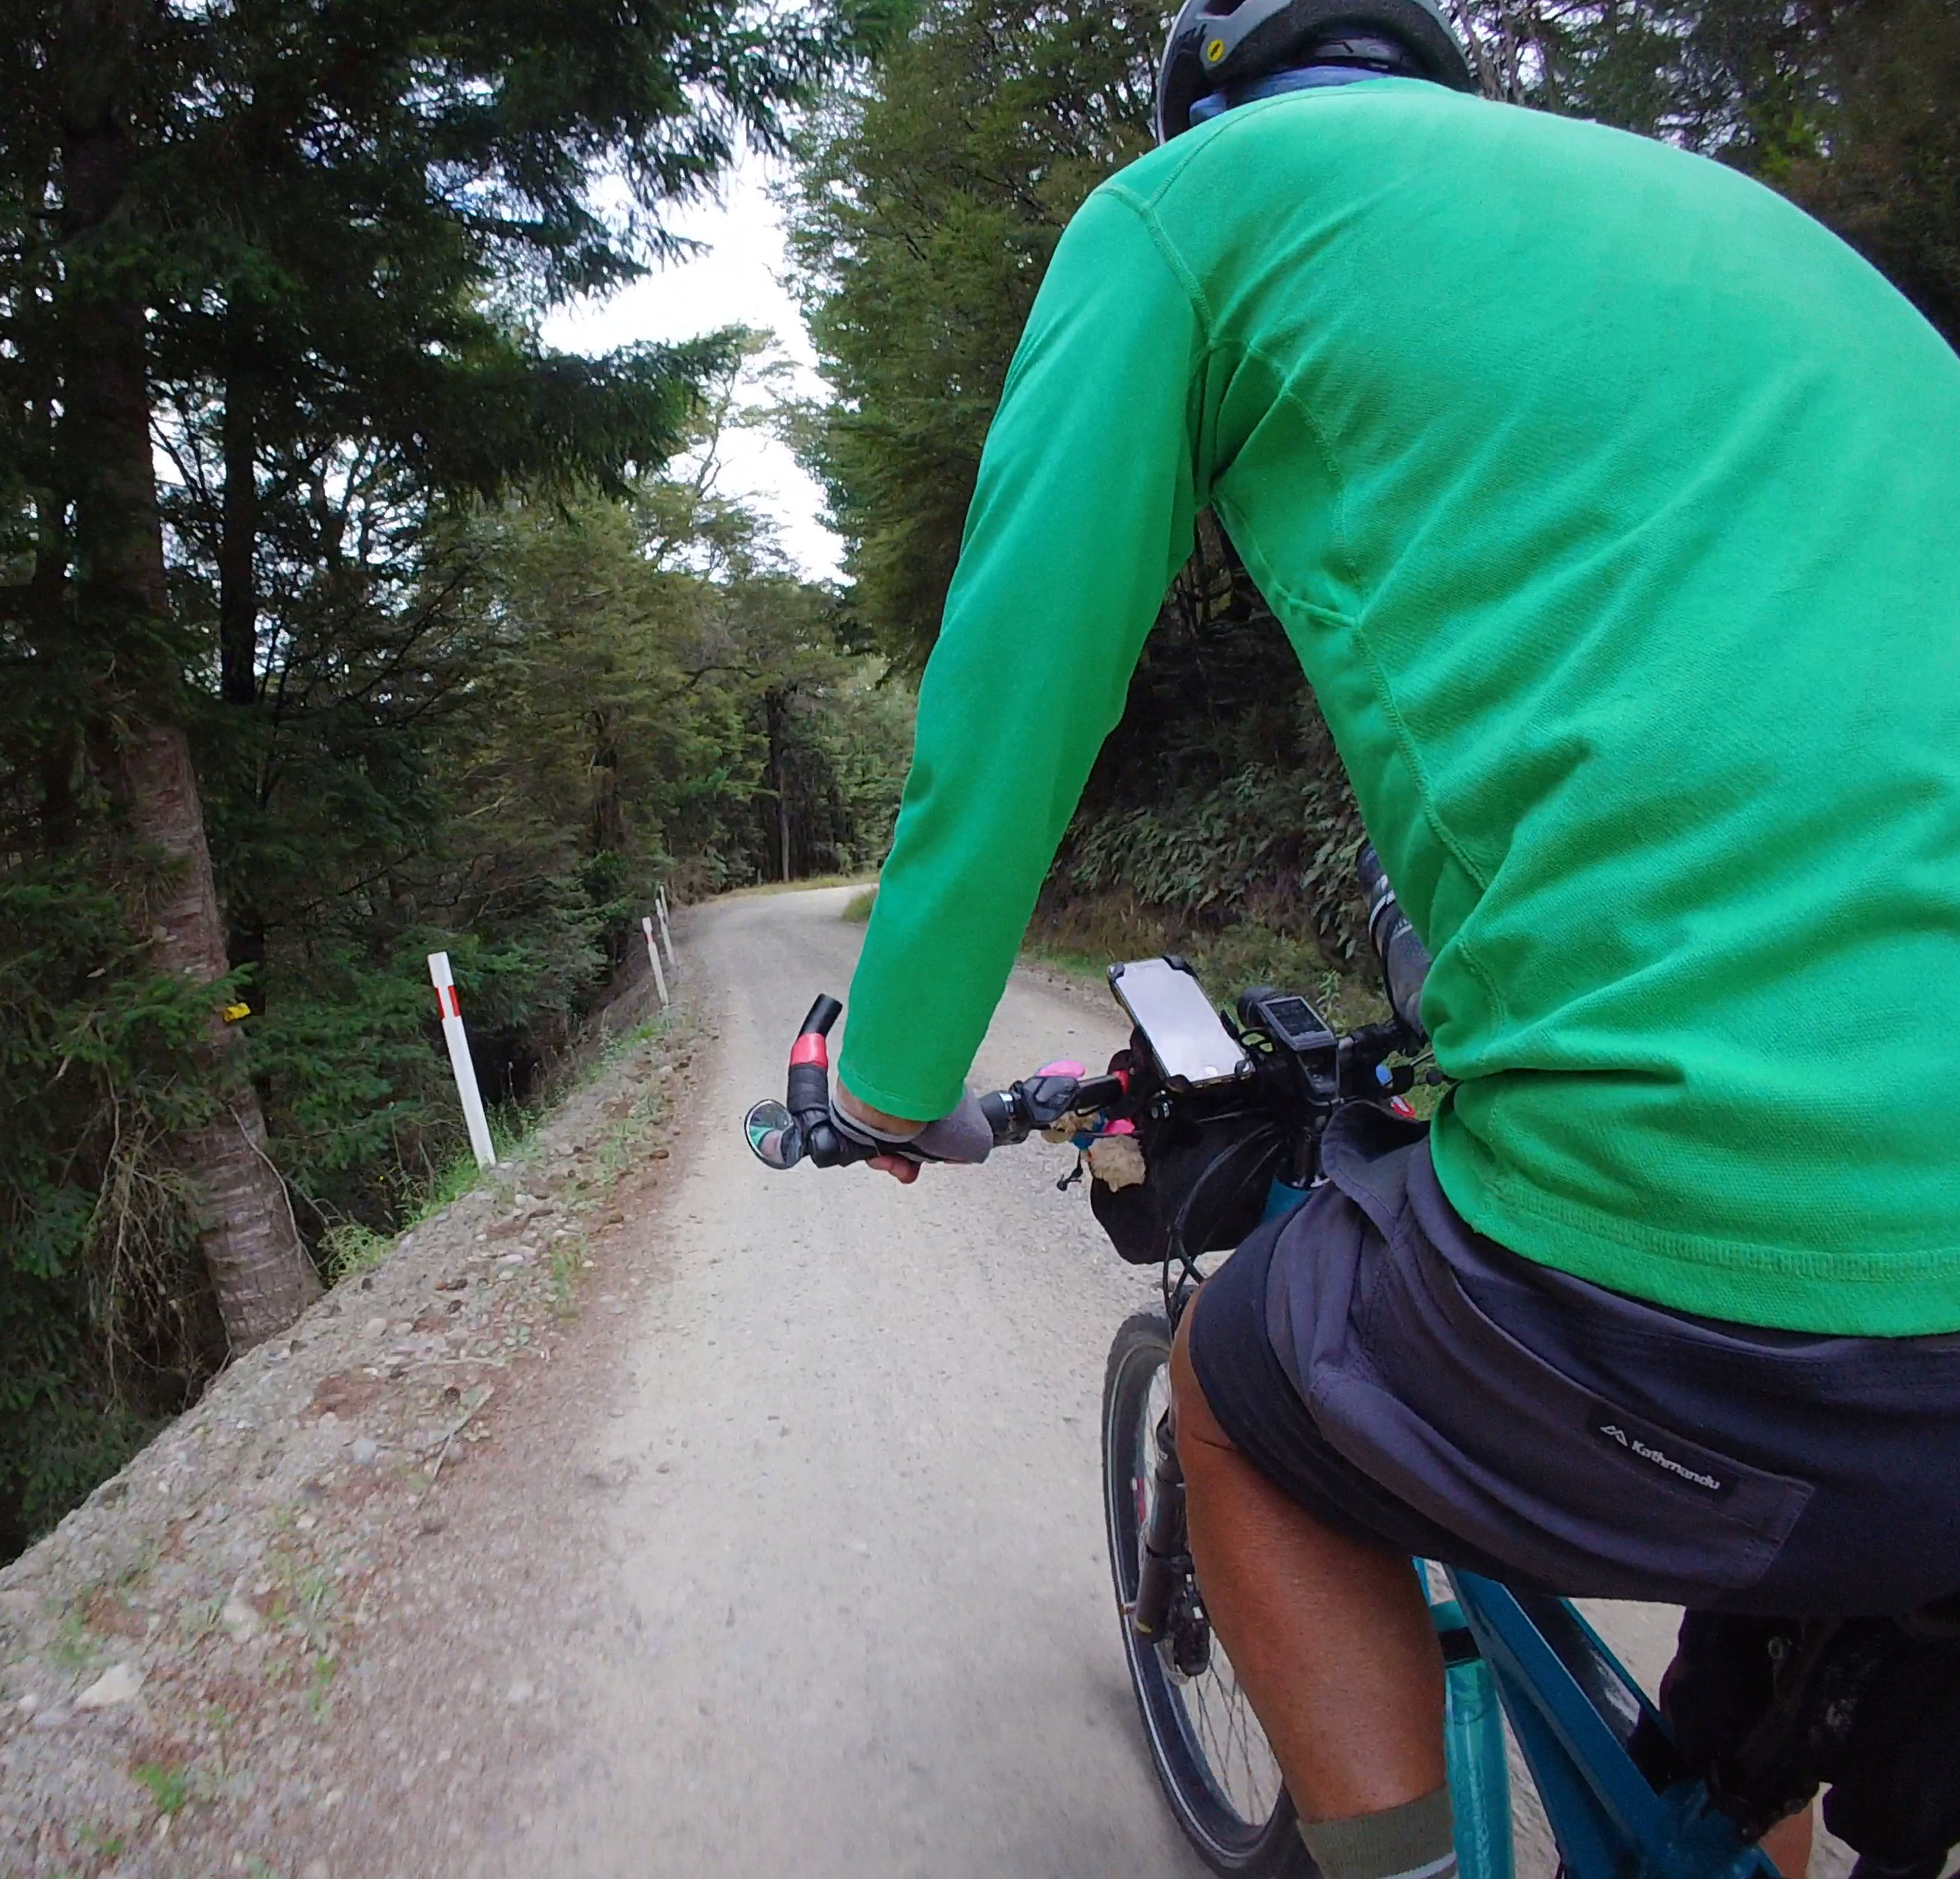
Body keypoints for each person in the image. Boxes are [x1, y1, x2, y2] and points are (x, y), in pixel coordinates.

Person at [826, 4, 1960, 1877]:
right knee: (1754, 1691)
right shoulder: (1733, 225)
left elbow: (1014, 694)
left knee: (1240, 1397)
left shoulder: (1196, 207)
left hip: (1760, 1249)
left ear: (1207, 108)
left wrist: (886, 1080)